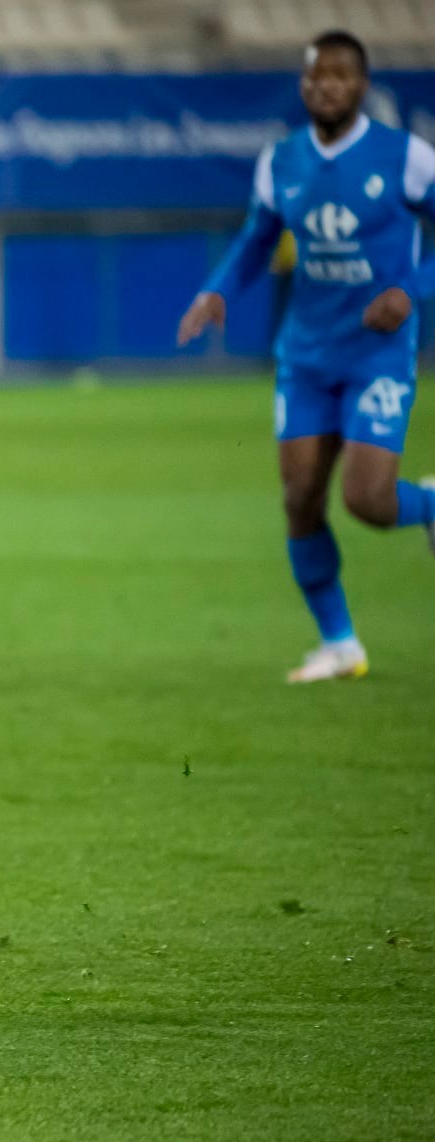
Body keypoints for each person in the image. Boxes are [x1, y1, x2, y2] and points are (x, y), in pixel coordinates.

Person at [179, 31, 435, 684]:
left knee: (369, 502)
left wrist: (411, 290)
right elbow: (257, 237)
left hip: (377, 354)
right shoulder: (280, 161)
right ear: (304, 85)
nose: (327, 87)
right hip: (306, 356)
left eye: (341, 76)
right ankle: (340, 645)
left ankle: (427, 505)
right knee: (299, 497)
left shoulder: (405, 157)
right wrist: (216, 291)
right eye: (317, 77)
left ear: (362, 84)